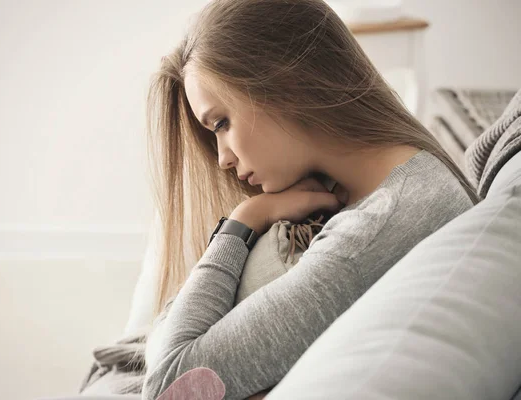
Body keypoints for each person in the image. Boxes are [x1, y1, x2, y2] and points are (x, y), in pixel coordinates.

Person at [141, 0, 479, 399]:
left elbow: (168, 387)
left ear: (285, 81)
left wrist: (243, 220)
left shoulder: (374, 231)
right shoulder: (383, 187)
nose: (223, 158)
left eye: (222, 123)